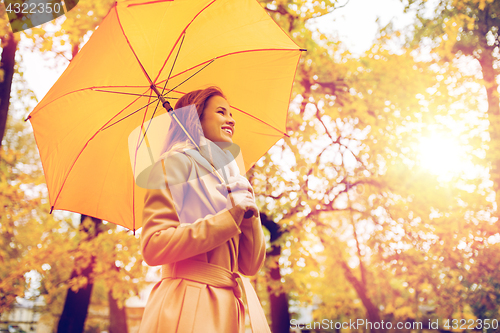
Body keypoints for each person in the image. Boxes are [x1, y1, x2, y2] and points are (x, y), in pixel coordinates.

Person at [138, 86, 271, 333]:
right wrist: (229, 218)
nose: (231, 119)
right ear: (196, 117)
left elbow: (250, 266)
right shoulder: (174, 164)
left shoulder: (232, 179)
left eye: (231, 114)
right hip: (187, 306)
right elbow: (154, 246)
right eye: (222, 112)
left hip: (229, 309)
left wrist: (250, 217)